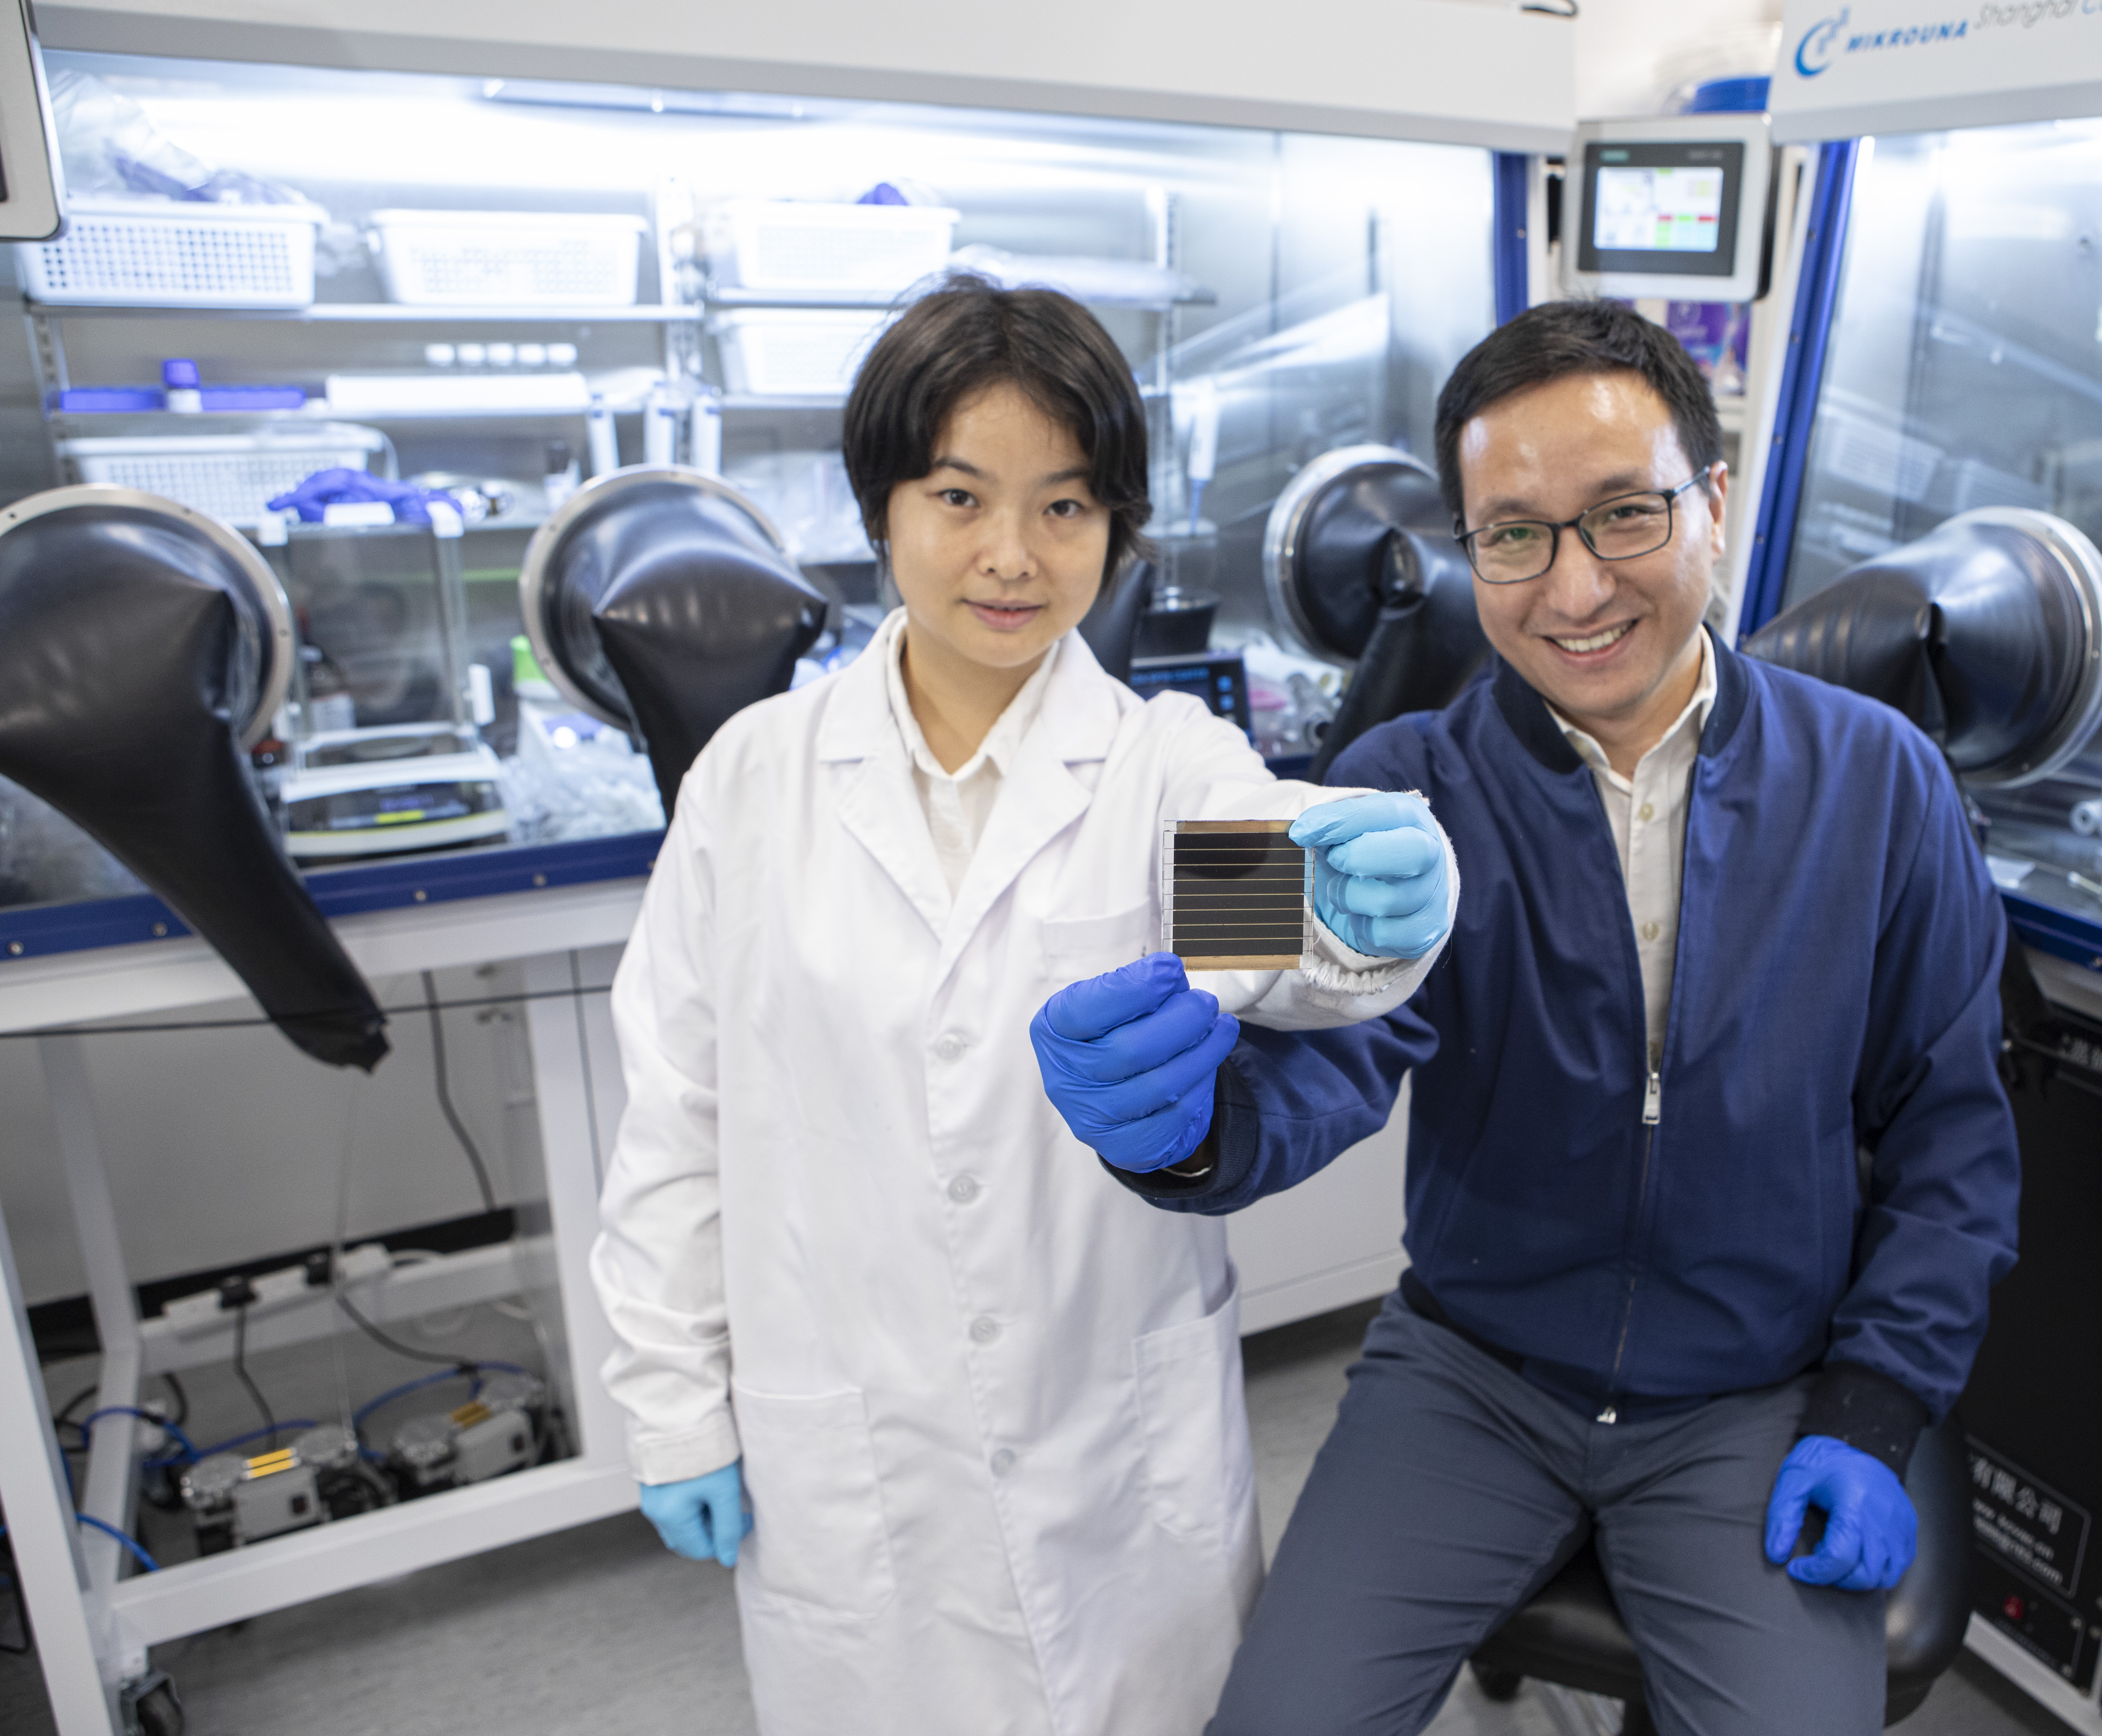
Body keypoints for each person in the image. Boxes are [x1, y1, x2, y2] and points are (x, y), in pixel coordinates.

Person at [1036, 299, 2020, 1734]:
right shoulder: (1378, 782)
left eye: (1624, 515)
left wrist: (1877, 1403)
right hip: (1468, 1376)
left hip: (1751, 1396)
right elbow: (1280, 1045)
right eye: (1513, 534)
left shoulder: (1883, 780)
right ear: (1467, 549)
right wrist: (1181, 1126)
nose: (1573, 591)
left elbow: (1953, 1137)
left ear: (1716, 505)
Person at [588, 276, 1457, 1736]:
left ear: (1115, 528)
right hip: (855, 1450)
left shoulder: (1157, 768)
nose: (1011, 556)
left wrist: (1372, 913)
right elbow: (680, 1109)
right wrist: (674, 1400)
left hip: (1111, 1459)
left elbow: (1287, 944)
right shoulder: (755, 778)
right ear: (884, 510)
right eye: (959, 496)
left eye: (1065, 507)